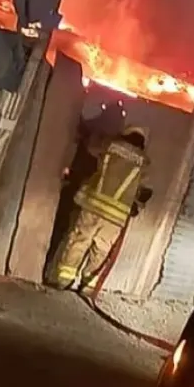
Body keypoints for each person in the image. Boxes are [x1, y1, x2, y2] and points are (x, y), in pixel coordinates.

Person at [52, 123, 154, 291]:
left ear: (124, 135)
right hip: (116, 217)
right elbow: (145, 192)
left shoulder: (110, 146)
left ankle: (64, 280)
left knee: (79, 241)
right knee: (101, 250)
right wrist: (135, 206)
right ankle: (88, 285)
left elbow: (91, 153)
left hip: (93, 206)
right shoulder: (144, 164)